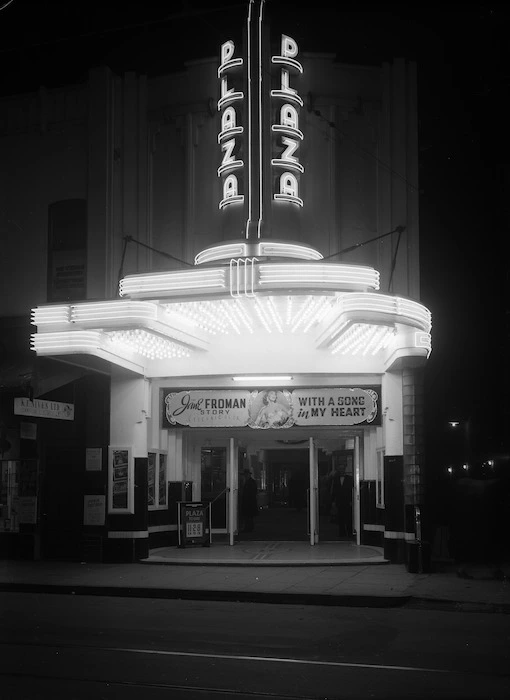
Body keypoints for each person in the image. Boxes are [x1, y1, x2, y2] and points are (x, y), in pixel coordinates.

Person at [331, 465, 354, 537]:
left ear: (344, 469)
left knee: (348, 517)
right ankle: (342, 533)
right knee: (340, 517)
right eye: (340, 469)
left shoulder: (350, 478)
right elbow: (334, 490)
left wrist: (351, 500)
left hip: (347, 501)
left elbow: (352, 490)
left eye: (342, 469)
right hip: (339, 501)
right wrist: (333, 501)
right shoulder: (335, 479)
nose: (341, 470)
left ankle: (349, 532)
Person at [240, 468, 258, 533]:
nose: (246, 476)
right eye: (245, 475)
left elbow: (253, 492)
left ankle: (249, 528)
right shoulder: (248, 482)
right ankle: (249, 528)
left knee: (249, 516)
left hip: (249, 502)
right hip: (248, 502)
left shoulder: (251, 482)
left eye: (246, 474)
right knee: (248, 516)